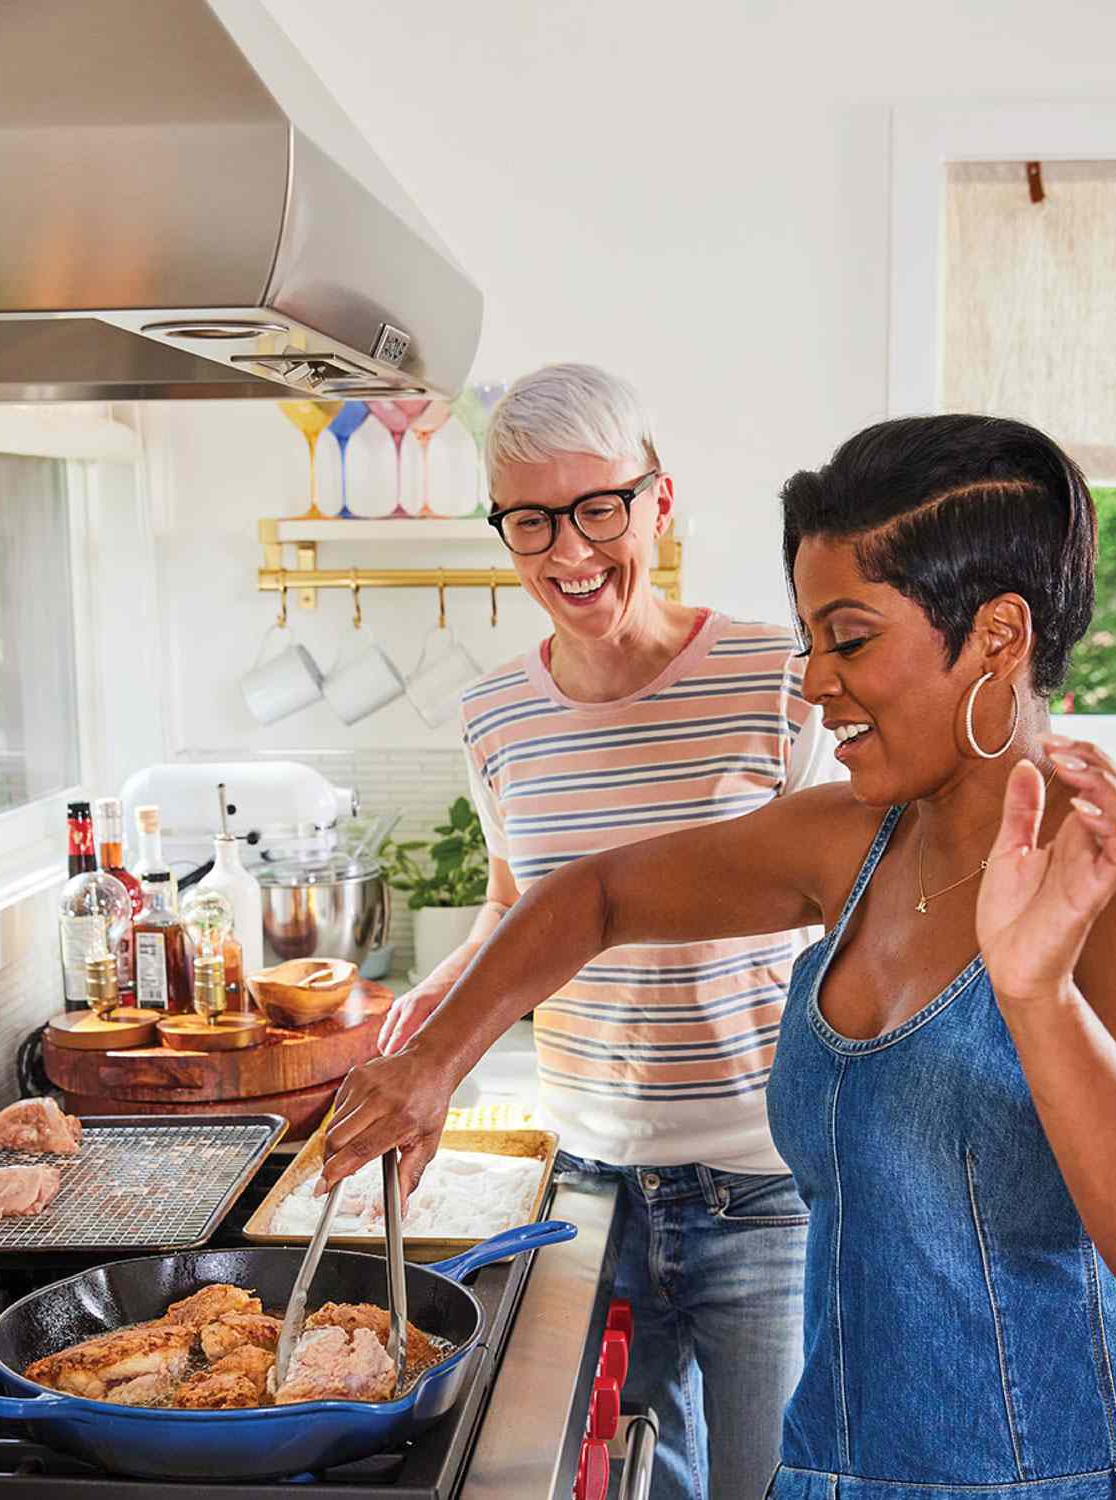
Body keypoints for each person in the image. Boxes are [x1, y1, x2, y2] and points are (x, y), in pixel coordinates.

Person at [329, 413, 1116, 1499]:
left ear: (996, 636)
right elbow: (596, 893)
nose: (813, 683)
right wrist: (432, 1061)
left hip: (1057, 1476)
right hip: (831, 1467)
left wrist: (1035, 992)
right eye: (811, 641)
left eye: (848, 639)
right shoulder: (846, 841)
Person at [374, 362, 838, 1500]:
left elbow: (842, 906)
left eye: (598, 509)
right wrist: (430, 1015)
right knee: (622, 1483)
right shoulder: (492, 717)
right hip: (583, 1187)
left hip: (761, 1184)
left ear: (656, 501)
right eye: (531, 520)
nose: (569, 554)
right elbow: (509, 902)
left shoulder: (776, 681)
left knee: (774, 1487)